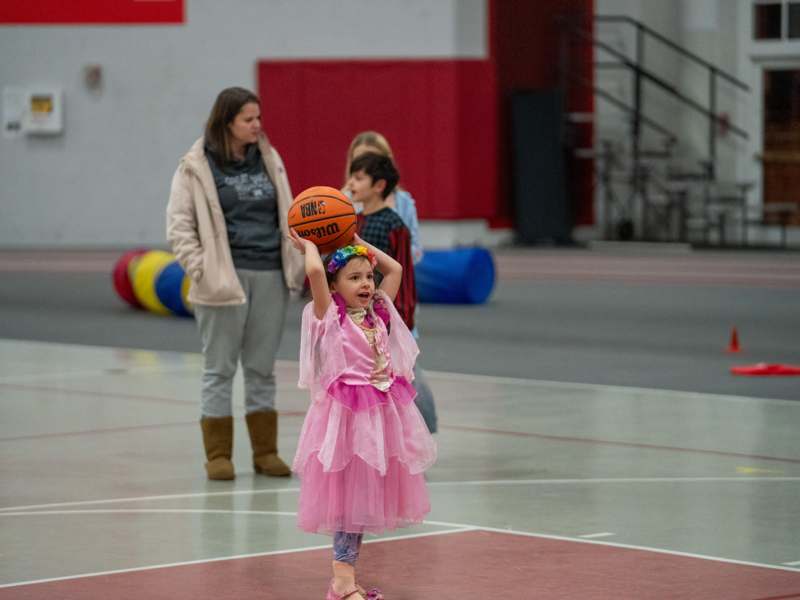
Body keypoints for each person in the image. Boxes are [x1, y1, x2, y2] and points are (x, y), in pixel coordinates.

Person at [288, 229, 436, 600]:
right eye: (354, 277)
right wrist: (311, 247)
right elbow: (317, 274)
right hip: (348, 420)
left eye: (368, 276)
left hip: (379, 415)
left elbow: (397, 268)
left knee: (358, 507)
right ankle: (341, 583)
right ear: (336, 286)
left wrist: (355, 241)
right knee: (348, 508)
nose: (367, 283)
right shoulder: (330, 317)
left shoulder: (378, 313)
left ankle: (345, 580)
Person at [166, 86, 304, 481]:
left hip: (271, 276)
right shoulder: (195, 165)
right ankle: (219, 455)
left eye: (259, 118)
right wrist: (201, 268)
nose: (257, 126)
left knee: (261, 368)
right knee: (219, 368)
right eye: (248, 119)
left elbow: (288, 212)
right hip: (222, 280)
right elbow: (179, 226)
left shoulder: (270, 159)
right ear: (226, 122)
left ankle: (266, 452)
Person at [344, 133, 438, 433]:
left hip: (389, 313)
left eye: (361, 175)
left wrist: (400, 318)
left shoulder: (395, 221)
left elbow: (404, 271)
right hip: (358, 316)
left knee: (404, 373)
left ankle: (421, 428)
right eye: (353, 173)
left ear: (380, 181)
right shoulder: (352, 217)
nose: (353, 182)